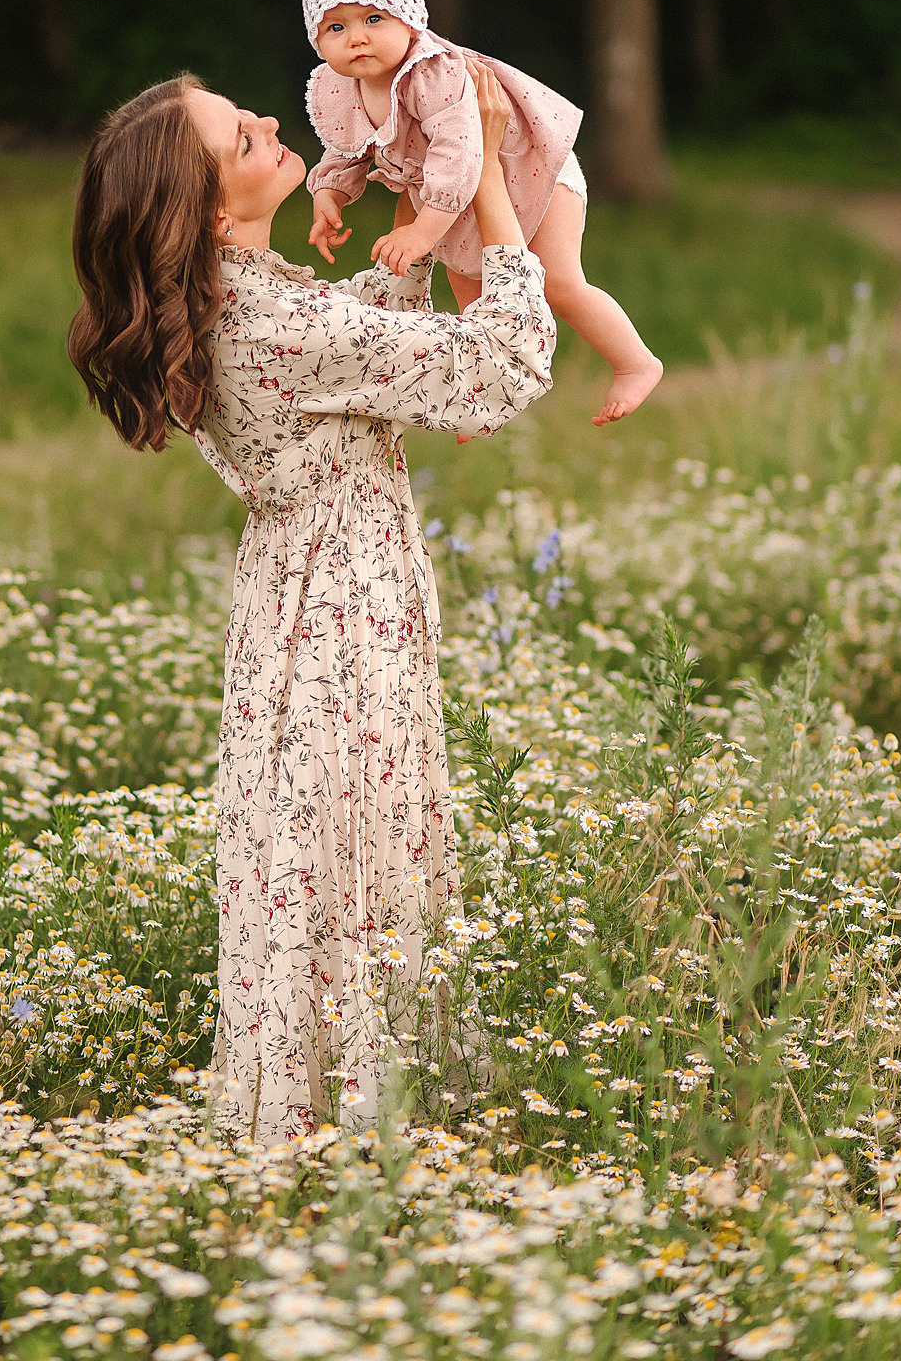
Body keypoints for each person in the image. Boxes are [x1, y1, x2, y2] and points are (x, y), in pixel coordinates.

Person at [69, 62, 554, 1145]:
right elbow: (504, 368)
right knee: (358, 867)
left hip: (301, 611)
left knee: (323, 868)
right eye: (240, 138)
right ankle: (364, 1146)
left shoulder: (241, 304)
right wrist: (482, 193)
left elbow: (356, 332)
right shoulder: (266, 326)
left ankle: (325, 1136)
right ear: (203, 210)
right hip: (341, 619)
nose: (265, 120)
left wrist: (413, 198)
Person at [304, 0, 663, 426]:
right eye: (335, 27)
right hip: (455, 195)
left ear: (409, 21)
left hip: (528, 164)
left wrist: (422, 232)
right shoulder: (341, 86)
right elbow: (346, 146)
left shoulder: (433, 72)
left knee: (557, 282)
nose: (357, 37)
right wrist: (329, 194)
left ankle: (635, 364)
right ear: (317, 40)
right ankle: (479, 399)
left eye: (373, 18)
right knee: (475, 303)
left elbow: (460, 153)